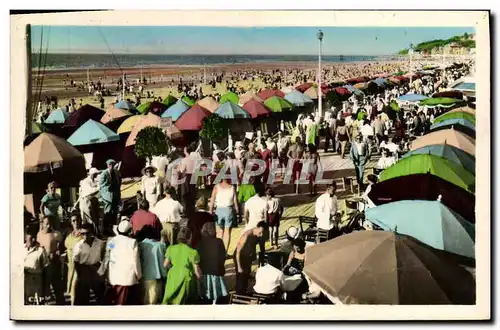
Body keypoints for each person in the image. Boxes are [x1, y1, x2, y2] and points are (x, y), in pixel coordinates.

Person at [100, 219, 142, 305]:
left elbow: (107, 256)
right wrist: (139, 275)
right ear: (129, 231)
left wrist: (103, 271)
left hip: (113, 277)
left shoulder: (112, 241)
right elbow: (136, 260)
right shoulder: (132, 242)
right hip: (127, 278)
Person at [162, 227, 202, 305]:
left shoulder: (171, 248)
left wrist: (174, 268)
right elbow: (197, 271)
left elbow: (165, 265)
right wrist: (201, 281)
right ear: (189, 238)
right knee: (184, 302)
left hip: (173, 276)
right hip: (186, 277)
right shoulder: (193, 252)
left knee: (170, 299)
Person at [73, 223, 106, 305]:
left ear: (92, 233)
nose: (85, 236)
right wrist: (80, 275)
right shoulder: (78, 245)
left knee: (100, 294)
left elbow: (108, 250)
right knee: (84, 296)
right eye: (83, 234)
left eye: (87, 233)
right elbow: (75, 261)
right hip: (84, 269)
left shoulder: (100, 243)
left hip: (96, 269)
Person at [234, 221, 268, 295]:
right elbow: (238, 252)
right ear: (256, 228)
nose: (261, 234)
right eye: (260, 232)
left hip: (247, 257)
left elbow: (259, 247)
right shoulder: (246, 235)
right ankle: (239, 294)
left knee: (246, 275)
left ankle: (243, 292)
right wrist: (239, 266)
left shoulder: (258, 235)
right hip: (240, 257)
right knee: (241, 276)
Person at [197, 222, 228, 304]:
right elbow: (223, 257)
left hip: (204, 273)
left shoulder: (199, 243)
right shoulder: (219, 241)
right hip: (217, 272)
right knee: (220, 297)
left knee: (205, 298)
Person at [37, 216, 65, 305]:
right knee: (43, 286)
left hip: (53, 263)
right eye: (47, 223)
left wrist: (57, 252)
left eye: (50, 224)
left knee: (57, 285)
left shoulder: (57, 234)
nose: (48, 226)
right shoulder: (39, 234)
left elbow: (61, 247)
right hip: (42, 264)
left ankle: (61, 305)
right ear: (43, 224)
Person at [138, 226, 167, 305]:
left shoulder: (141, 244)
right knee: (154, 301)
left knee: (144, 299)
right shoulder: (161, 245)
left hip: (144, 275)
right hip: (158, 276)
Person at [210, 176, 239, 252]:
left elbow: (212, 200)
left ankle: (218, 250)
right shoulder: (232, 187)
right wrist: (237, 210)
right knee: (227, 232)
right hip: (228, 210)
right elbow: (235, 201)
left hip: (219, 209)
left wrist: (210, 210)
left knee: (220, 232)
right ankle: (225, 251)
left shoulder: (216, 187)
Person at [24, 225, 50, 305]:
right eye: (30, 238)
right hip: (25, 280)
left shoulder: (40, 250)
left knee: (37, 303)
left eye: (34, 237)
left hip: (37, 281)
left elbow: (46, 269)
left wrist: (46, 287)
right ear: (25, 238)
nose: (33, 240)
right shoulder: (21, 249)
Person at [99, 159, 122, 235]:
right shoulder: (104, 173)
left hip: (115, 196)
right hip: (107, 197)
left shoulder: (116, 172)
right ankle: (105, 229)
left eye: (112, 164)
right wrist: (109, 186)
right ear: (107, 165)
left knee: (115, 213)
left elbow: (119, 182)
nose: (111, 166)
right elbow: (102, 185)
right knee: (107, 213)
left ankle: (113, 228)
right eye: (110, 165)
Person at [64, 213, 83, 304]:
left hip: (80, 264)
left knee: (75, 286)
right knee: (72, 286)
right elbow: (66, 245)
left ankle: (73, 305)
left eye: (77, 220)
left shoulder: (84, 233)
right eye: (73, 221)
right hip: (70, 265)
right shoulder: (69, 234)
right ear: (71, 223)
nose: (76, 222)